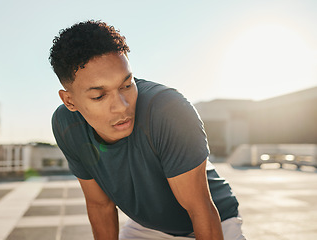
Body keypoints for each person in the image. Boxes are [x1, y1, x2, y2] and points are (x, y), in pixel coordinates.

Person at [49, 20, 246, 240]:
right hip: (148, 228)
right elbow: (100, 205)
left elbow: (200, 209)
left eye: (126, 84)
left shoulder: (168, 110)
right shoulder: (66, 125)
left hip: (215, 222)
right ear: (69, 101)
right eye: (99, 96)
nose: (122, 105)